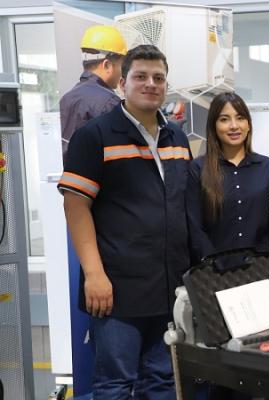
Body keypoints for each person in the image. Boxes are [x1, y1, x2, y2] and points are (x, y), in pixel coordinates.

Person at [58, 44, 190, 399]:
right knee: (116, 384)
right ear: (122, 83)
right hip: (117, 289)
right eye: (141, 76)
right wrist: (95, 274)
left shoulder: (177, 138)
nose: (151, 84)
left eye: (158, 78)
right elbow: (76, 206)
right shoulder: (96, 136)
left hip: (169, 288)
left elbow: (180, 207)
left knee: (163, 380)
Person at [186, 91, 269, 264]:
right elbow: (194, 227)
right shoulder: (198, 169)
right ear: (214, 126)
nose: (234, 126)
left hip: (259, 270)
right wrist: (214, 263)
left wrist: (260, 257)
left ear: (249, 124)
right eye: (224, 119)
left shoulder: (267, 168)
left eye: (240, 118)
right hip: (212, 274)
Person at [60, 25, 128, 156]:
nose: (123, 72)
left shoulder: (66, 98)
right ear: (107, 65)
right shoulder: (109, 102)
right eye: (122, 66)